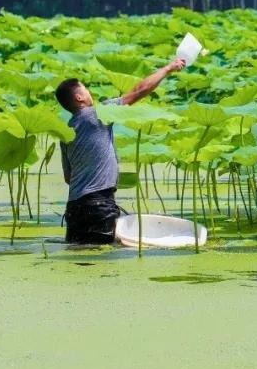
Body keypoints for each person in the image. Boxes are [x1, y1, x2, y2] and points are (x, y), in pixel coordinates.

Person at [54, 58, 186, 244]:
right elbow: (138, 91)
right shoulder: (99, 113)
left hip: (74, 208)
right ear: (79, 97)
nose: (90, 93)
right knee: (104, 266)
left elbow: (69, 177)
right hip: (99, 205)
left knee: (78, 258)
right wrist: (168, 68)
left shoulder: (66, 131)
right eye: (86, 89)